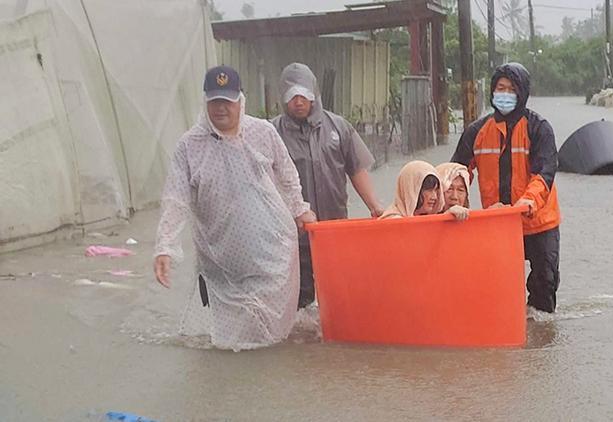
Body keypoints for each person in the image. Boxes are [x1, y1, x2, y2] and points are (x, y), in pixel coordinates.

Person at [153, 65, 316, 350]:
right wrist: (165, 246)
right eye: (214, 101)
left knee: (270, 336)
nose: (220, 109)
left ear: (240, 101)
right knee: (229, 342)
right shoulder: (189, 146)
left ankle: (263, 380)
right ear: (205, 102)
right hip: (221, 260)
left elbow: (287, 174)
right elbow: (176, 199)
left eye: (227, 101)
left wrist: (299, 208)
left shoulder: (262, 132)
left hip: (272, 253)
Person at [451, 62, 562, 313]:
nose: (505, 94)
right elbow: (457, 174)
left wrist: (528, 201)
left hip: (538, 221)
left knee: (545, 283)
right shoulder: (476, 131)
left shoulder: (539, 128)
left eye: (511, 89)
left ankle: (539, 338)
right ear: (492, 92)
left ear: (522, 92)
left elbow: (544, 173)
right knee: (496, 285)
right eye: (500, 88)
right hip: (497, 223)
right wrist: (450, 202)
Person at [272, 62, 383, 308]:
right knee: (296, 304)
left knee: (339, 297)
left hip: (334, 232)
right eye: (291, 96)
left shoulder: (338, 127)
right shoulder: (271, 133)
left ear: (314, 93)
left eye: (303, 94)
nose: (298, 101)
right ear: (283, 98)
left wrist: (375, 206)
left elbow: (356, 169)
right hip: (291, 237)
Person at [380, 160, 453, 219]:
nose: (434, 197)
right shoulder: (392, 221)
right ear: (411, 190)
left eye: (436, 190)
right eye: (429, 190)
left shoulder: (427, 217)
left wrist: (449, 217)